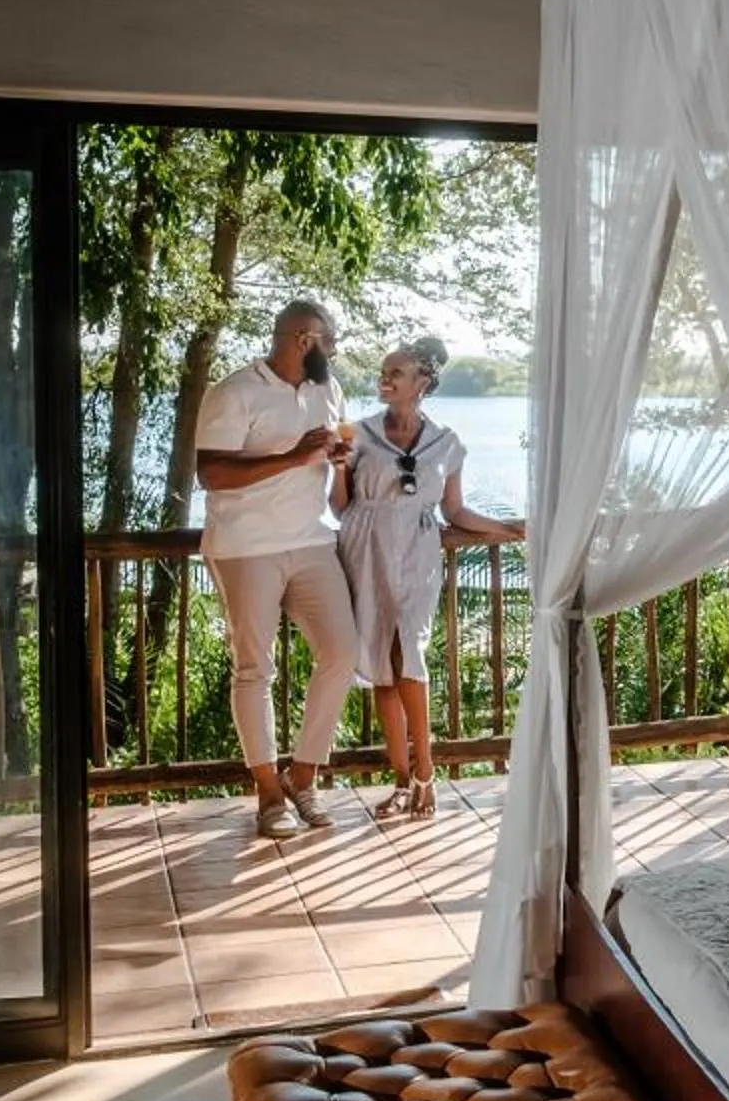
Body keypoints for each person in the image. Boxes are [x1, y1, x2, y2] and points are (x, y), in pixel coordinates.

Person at [334, 335, 525, 818]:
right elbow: (339, 506)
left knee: (409, 653)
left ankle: (426, 774)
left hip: (419, 549)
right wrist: (336, 467)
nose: (384, 378)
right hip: (366, 544)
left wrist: (508, 529)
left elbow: (455, 510)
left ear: (421, 382)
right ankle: (402, 780)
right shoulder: (358, 435)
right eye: (383, 371)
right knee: (379, 658)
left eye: (394, 372)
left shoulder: (448, 443)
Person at [194, 299, 361, 839]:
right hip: (246, 547)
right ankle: (268, 793)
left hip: (313, 541)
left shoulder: (326, 391)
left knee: (341, 654)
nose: (334, 351)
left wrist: (337, 463)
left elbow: (331, 466)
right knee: (254, 670)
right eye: (330, 341)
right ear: (303, 339)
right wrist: (293, 456)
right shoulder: (234, 391)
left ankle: (303, 773)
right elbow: (212, 473)